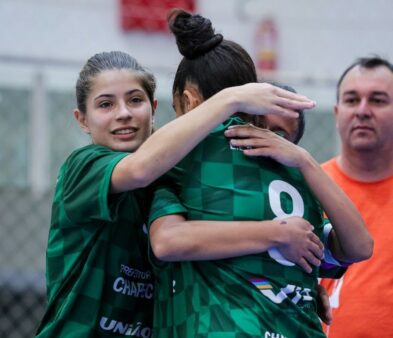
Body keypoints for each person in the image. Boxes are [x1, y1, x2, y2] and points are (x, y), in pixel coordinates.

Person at [35, 51, 316, 337]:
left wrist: (293, 287)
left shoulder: (177, 178)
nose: (124, 113)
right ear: (82, 120)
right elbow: (139, 169)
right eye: (106, 104)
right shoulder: (83, 167)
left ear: (153, 108)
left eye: (135, 100)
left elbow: (218, 244)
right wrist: (231, 98)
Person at [148, 9, 372, 338]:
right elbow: (359, 247)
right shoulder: (294, 173)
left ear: (187, 101)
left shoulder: (180, 157)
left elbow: (166, 239)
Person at [319, 56, 393, 337]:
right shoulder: (306, 188)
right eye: (352, 100)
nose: (362, 111)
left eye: (377, 100)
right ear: (337, 113)